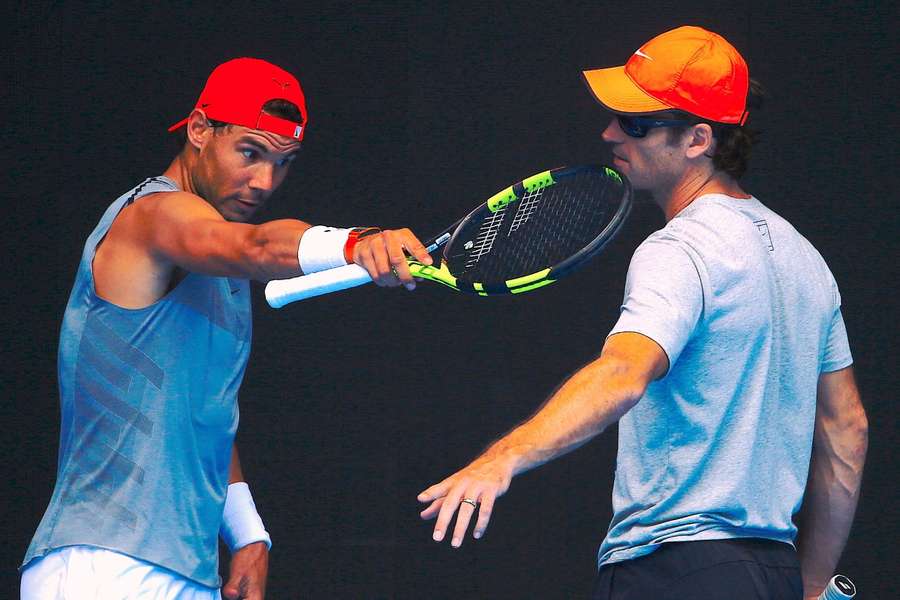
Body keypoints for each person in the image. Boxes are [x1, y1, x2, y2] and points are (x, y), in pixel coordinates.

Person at [417, 26, 867, 600]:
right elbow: (846, 429)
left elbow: (623, 373)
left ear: (698, 139)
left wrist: (500, 460)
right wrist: (812, 581)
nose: (609, 133)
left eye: (635, 123)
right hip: (769, 577)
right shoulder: (808, 260)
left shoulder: (676, 249)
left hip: (673, 572)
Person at [20, 57, 432, 600]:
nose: (264, 181)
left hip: (188, 569)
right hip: (100, 565)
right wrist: (353, 242)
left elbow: (201, 413)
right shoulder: (152, 216)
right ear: (198, 130)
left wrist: (247, 535)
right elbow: (258, 245)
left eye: (283, 163)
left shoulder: (223, 276)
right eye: (250, 152)